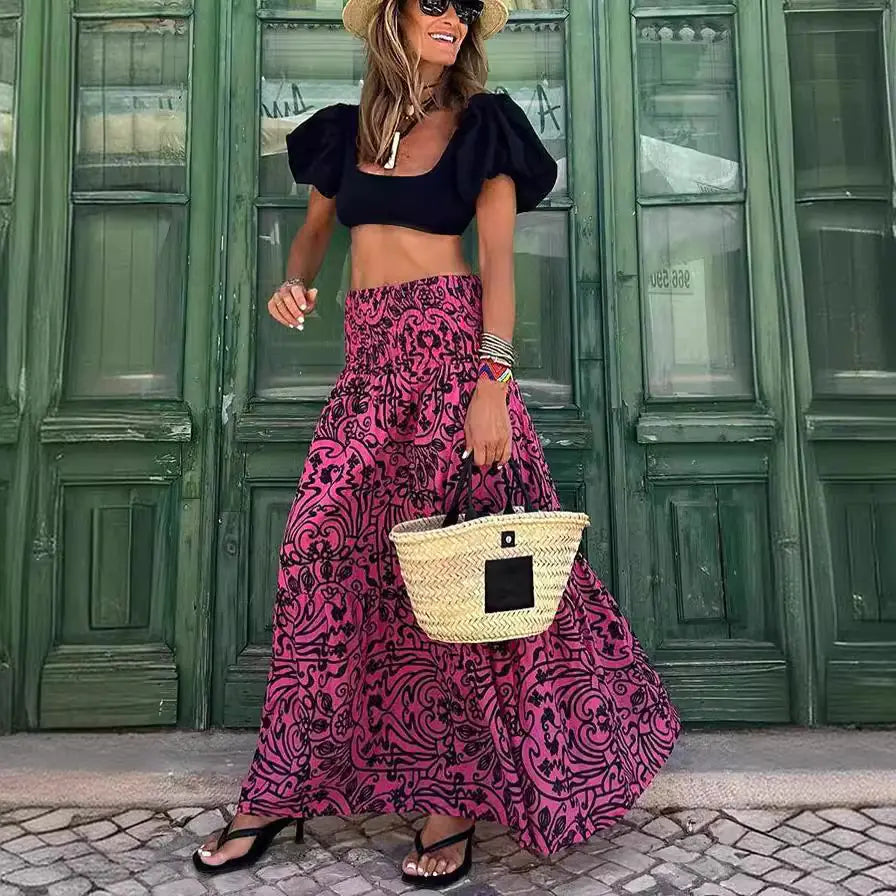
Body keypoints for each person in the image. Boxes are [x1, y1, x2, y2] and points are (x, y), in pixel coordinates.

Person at [193, 0, 681, 887]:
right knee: (318, 562)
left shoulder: (483, 127)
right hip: (369, 370)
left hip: (454, 364)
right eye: (435, 3)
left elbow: (498, 266)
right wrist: (294, 284)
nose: (453, 18)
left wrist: (493, 384)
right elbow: (312, 239)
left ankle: (451, 800)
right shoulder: (344, 133)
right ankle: (277, 789)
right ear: (393, 16)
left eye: (465, 8)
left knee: (464, 586)